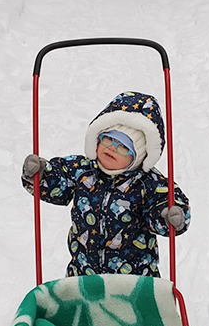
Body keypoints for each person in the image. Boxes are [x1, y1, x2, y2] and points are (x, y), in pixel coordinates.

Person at [21, 91, 191, 277]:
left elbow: (165, 201)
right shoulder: (81, 170)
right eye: (108, 138)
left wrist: (169, 215)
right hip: (84, 275)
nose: (112, 148)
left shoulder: (148, 183)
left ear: (139, 156)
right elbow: (58, 182)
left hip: (134, 281)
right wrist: (41, 174)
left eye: (124, 146)